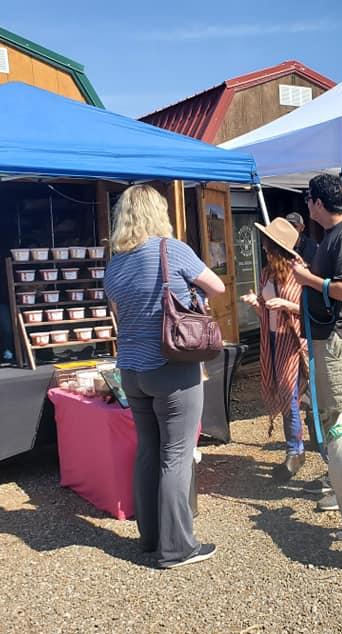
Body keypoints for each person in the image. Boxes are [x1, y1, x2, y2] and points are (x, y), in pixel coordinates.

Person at [104, 184, 226, 569]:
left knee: (147, 452)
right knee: (175, 456)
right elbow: (218, 286)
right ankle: (177, 549)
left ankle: (151, 537)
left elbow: (120, 312)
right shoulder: (170, 249)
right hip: (172, 365)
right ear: (158, 214)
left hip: (132, 369)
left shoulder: (114, 264)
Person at [291, 174, 342, 512]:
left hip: (339, 337)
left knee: (340, 414)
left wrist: (308, 279)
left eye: (308, 198)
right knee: (337, 410)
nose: (306, 203)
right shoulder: (333, 236)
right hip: (331, 337)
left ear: (319, 203)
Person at [240, 218, 308, 477]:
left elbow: (310, 312)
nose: (265, 249)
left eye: (269, 246)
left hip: (293, 343)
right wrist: (255, 304)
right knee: (283, 394)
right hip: (271, 340)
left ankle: (296, 449)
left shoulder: (300, 273)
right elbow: (265, 309)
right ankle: (296, 448)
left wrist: (287, 306)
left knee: (291, 396)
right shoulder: (267, 273)